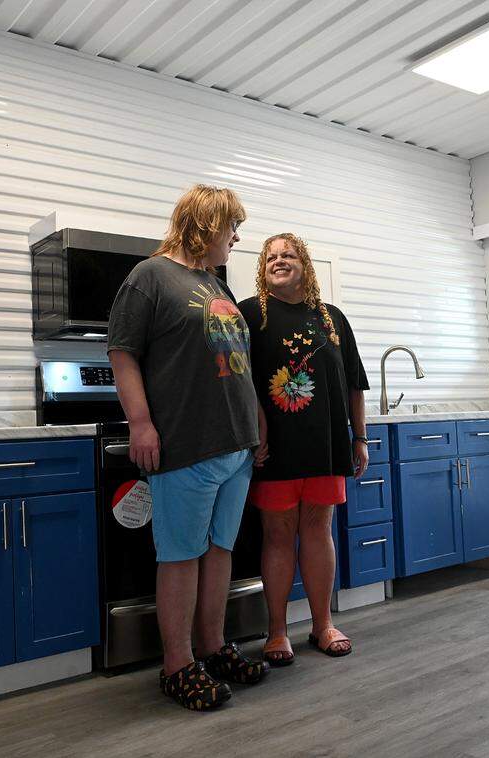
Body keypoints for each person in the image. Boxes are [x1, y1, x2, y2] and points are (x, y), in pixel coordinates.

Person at [106, 185, 267, 711]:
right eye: (231, 228)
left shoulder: (213, 279)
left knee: (221, 549)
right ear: (206, 223)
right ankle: (176, 665)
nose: (236, 238)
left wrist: (255, 424)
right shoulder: (150, 277)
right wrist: (141, 423)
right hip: (186, 443)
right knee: (180, 556)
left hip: (236, 445)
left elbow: (238, 360)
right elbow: (123, 354)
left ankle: (213, 648)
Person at [237, 232, 370, 666]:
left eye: (288, 254)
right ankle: (277, 632)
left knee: (318, 529)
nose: (279, 261)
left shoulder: (331, 318)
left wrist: (360, 437)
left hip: (327, 445)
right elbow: (235, 383)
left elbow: (354, 384)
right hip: (272, 449)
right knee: (277, 536)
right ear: (263, 267)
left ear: (304, 264)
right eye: (271, 256)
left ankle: (322, 624)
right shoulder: (249, 315)